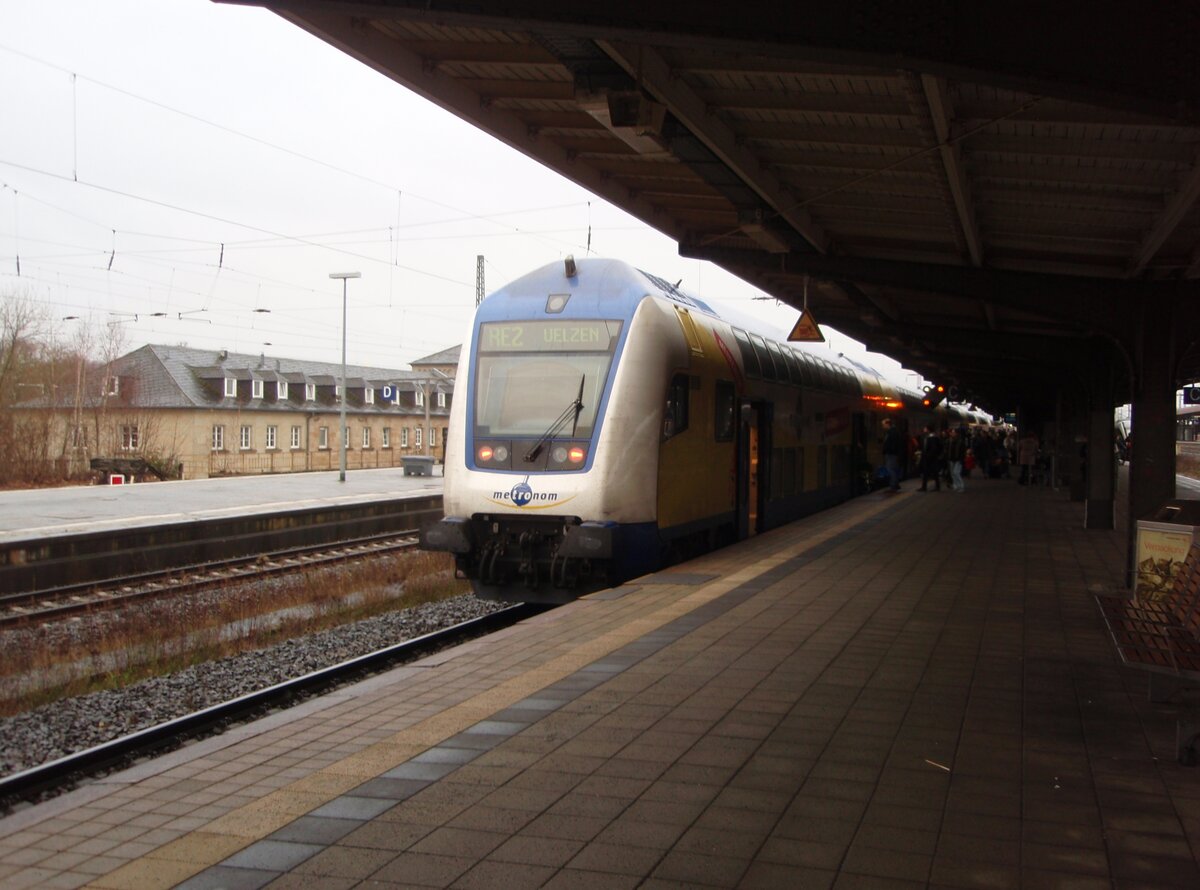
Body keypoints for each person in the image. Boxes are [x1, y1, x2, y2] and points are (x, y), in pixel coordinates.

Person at [917, 424, 943, 491]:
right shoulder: (929, 437)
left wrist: (928, 456)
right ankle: (926, 487)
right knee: (930, 473)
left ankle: (931, 487)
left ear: (928, 429)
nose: (924, 429)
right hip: (929, 457)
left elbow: (933, 448)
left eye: (925, 428)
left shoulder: (932, 438)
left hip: (930, 458)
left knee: (932, 472)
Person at [881, 417, 903, 492]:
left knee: (891, 469)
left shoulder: (892, 432)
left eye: (883, 425)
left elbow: (892, 444)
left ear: (888, 424)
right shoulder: (893, 431)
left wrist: (888, 451)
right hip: (892, 454)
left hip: (891, 454)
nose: (883, 426)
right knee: (893, 469)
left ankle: (893, 486)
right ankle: (895, 484)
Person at [945, 427, 967, 492]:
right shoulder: (949, 441)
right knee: (952, 473)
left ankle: (961, 486)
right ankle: (956, 485)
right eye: (951, 432)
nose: (952, 433)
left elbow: (963, 451)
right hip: (951, 459)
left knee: (956, 473)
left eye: (953, 432)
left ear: (957, 433)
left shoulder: (960, 441)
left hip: (958, 459)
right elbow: (946, 449)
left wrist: (962, 458)